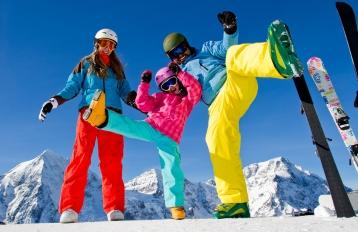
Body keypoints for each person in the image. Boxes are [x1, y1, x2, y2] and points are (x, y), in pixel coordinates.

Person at [162, 11, 304, 218]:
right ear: (171, 58)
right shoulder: (179, 75)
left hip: (234, 82)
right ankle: (235, 202)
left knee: (233, 56)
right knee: (215, 140)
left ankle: (276, 60)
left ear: (187, 44)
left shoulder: (207, 49)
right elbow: (178, 98)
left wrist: (229, 30)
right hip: (217, 105)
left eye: (182, 49)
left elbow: (228, 47)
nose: (181, 55)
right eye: (175, 54)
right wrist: (173, 80)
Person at [38, 28, 138, 223]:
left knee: (112, 162)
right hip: (89, 114)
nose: (107, 47)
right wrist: (54, 101)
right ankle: (70, 207)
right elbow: (72, 87)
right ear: (96, 43)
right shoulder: (85, 64)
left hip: (113, 118)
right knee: (80, 159)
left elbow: (126, 91)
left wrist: (136, 100)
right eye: (104, 43)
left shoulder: (117, 70)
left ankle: (115, 207)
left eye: (112, 45)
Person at [83, 63, 201, 220]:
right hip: (152, 126)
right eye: (166, 85)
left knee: (172, 168)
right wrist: (144, 85)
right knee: (130, 126)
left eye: (172, 81)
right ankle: (101, 117)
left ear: (178, 81)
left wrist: (180, 73)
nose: (171, 87)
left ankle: (176, 206)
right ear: (162, 89)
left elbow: (196, 90)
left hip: (170, 138)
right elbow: (142, 103)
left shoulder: (187, 101)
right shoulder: (161, 98)